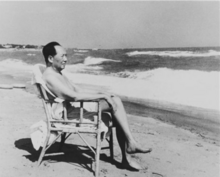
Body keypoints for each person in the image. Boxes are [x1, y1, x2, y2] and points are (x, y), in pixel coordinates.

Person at [42, 41, 152, 170]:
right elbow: (74, 96)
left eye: (66, 55)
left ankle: (128, 151)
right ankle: (129, 149)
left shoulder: (57, 73)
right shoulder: (50, 77)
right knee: (115, 102)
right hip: (70, 116)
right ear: (50, 58)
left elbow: (78, 89)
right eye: (62, 56)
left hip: (73, 110)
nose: (66, 59)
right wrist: (104, 97)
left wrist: (102, 93)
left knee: (115, 104)